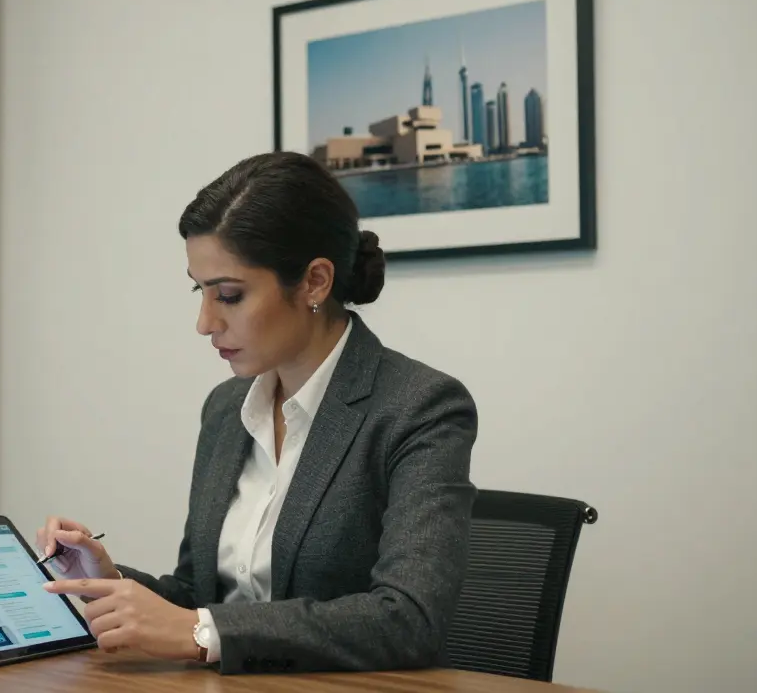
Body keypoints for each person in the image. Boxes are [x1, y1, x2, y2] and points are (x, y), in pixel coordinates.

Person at [39, 151, 478, 675]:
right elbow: (199, 595)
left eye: (228, 295)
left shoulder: (420, 407)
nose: (204, 323)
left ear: (315, 282)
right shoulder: (226, 409)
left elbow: (409, 620)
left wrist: (203, 631)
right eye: (199, 291)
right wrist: (109, 579)